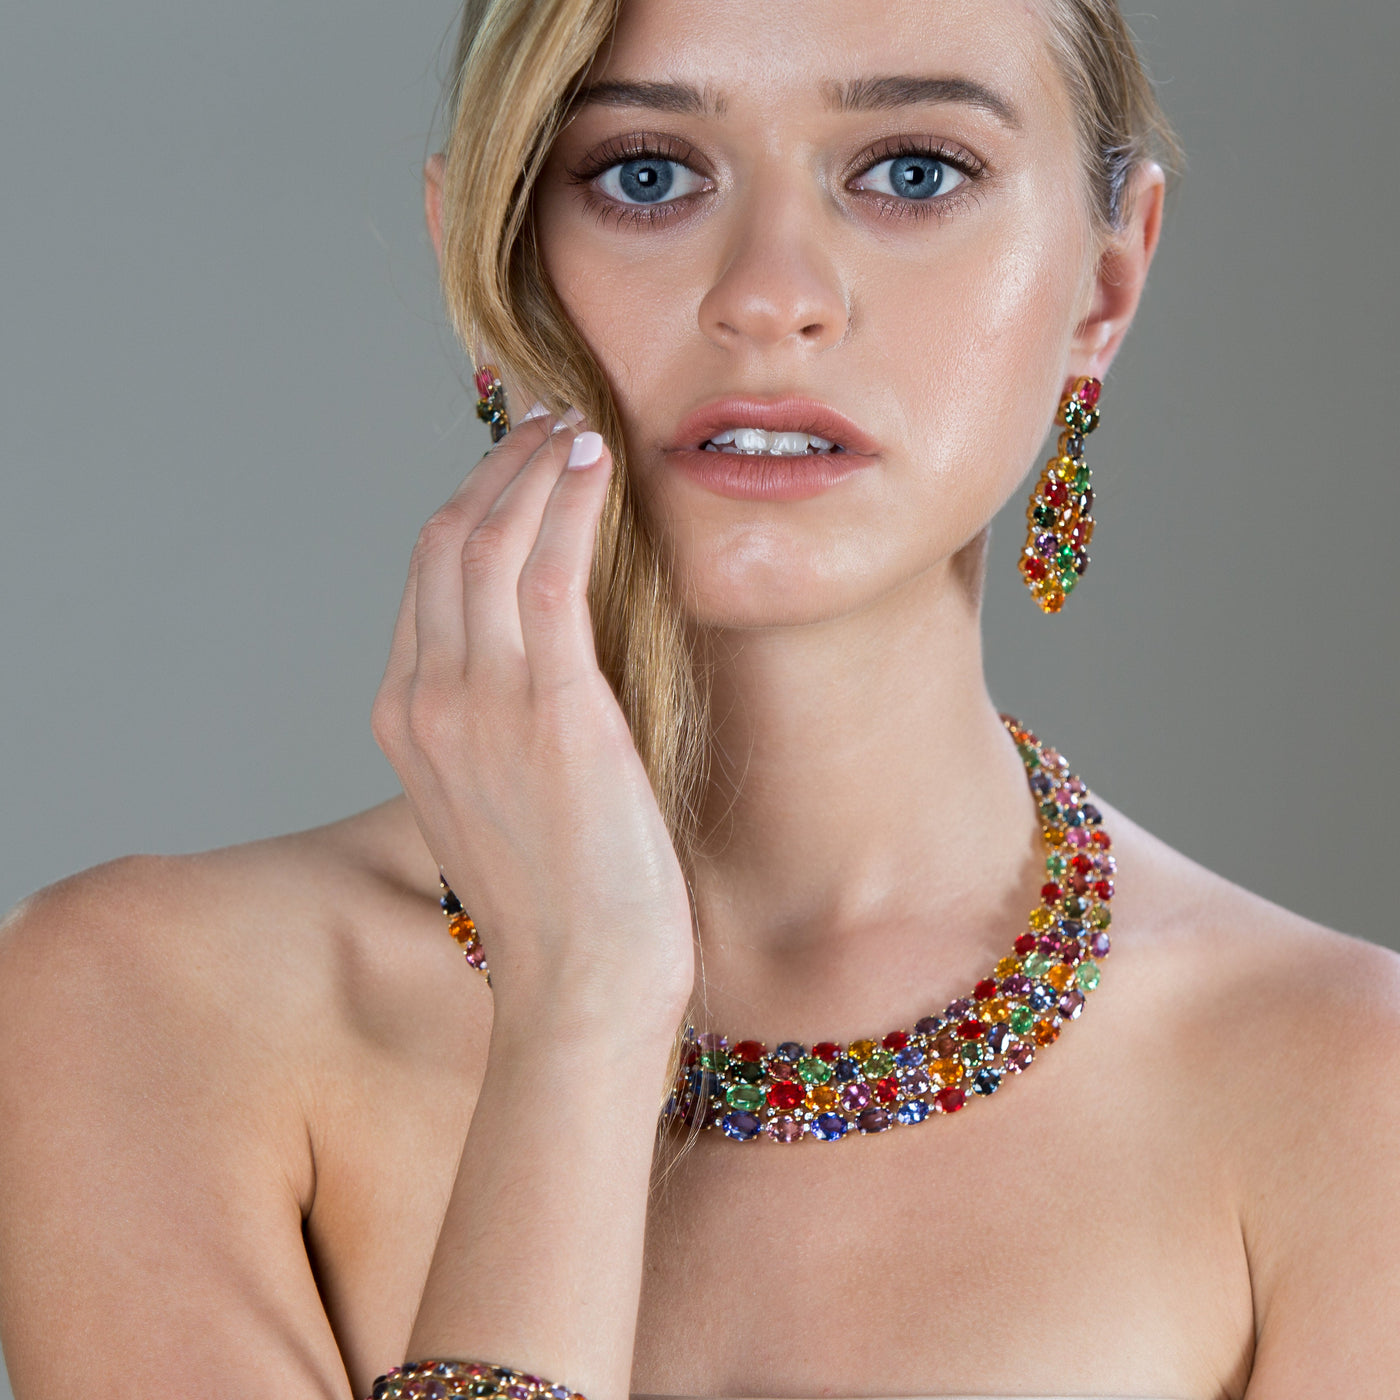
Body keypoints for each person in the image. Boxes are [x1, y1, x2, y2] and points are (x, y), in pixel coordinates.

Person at [1, 0, 1398, 1397]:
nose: (769, 293)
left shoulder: (1346, 1090)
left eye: (912, 171)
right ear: (489, 262)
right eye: (647, 174)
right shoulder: (145, 1011)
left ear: (1106, 283)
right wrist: (585, 1009)